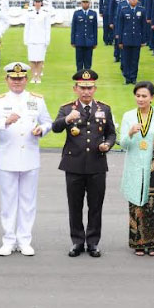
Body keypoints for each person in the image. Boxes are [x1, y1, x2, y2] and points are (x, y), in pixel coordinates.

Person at [0, 62, 53, 256]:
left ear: (26, 79)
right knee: (8, 201)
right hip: (8, 157)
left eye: (20, 78)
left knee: (28, 200)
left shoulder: (36, 99)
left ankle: (24, 240)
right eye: (13, 78)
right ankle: (8, 239)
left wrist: (42, 129)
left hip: (30, 155)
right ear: (7, 80)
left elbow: (48, 121)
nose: (17, 82)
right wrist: (4, 121)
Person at [51, 69, 116, 257]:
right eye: (82, 88)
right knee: (75, 205)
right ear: (75, 88)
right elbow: (55, 128)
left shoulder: (104, 109)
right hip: (74, 164)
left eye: (89, 88)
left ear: (95, 88)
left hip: (97, 164)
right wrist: (66, 119)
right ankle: (77, 241)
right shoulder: (67, 108)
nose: (86, 91)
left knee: (96, 205)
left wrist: (108, 144)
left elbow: (111, 133)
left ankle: (93, 242)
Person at [118, 81, 154, 256]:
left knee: (152, 202)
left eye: (144, 96)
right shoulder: (128, 116)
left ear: (152, 97)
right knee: (136, 203)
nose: (140, 99)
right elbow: (124, 145)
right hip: (135, 165)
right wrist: (130, 133)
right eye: (138, 95)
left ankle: (153, 243)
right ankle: (138, 243)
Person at [115, 0, 146, 84]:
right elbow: (120, 26)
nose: (134, 1)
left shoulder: (141, 10)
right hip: (126, 39)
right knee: (125, 60)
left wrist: (143, 40)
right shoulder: (124, 10)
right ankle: (127, 77)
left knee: (134, 60)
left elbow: (144, 26)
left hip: (137, 39)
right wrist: (119, 41)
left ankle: (133, 78)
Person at [23, 0, 51, 83]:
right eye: (36, 2)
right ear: (34, 3)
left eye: (39, 2)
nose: (37, 4)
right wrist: (25, 39)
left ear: (41, 3)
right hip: (31, 39)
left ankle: (38, 77)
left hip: (41, 39)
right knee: (32, 59)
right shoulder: (29, 13)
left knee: (39, 60)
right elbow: (27, 27)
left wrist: (47, 39)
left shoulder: (45, 13)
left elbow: (47, 28)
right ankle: (33, 77)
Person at [70, 0, 97, 71]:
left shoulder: (93, 13)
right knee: (79, 60)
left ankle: (87, 76)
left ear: (90, 3)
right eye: (83, 2)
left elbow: (95, 29)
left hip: (89, 41)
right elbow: (73, 28)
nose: (85, 4)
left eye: (87, 2)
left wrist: (95, 42)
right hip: (79, 41)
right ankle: (79, 76)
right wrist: (73, 41)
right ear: (81, 3)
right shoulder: (77, 13)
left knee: (88, 61)